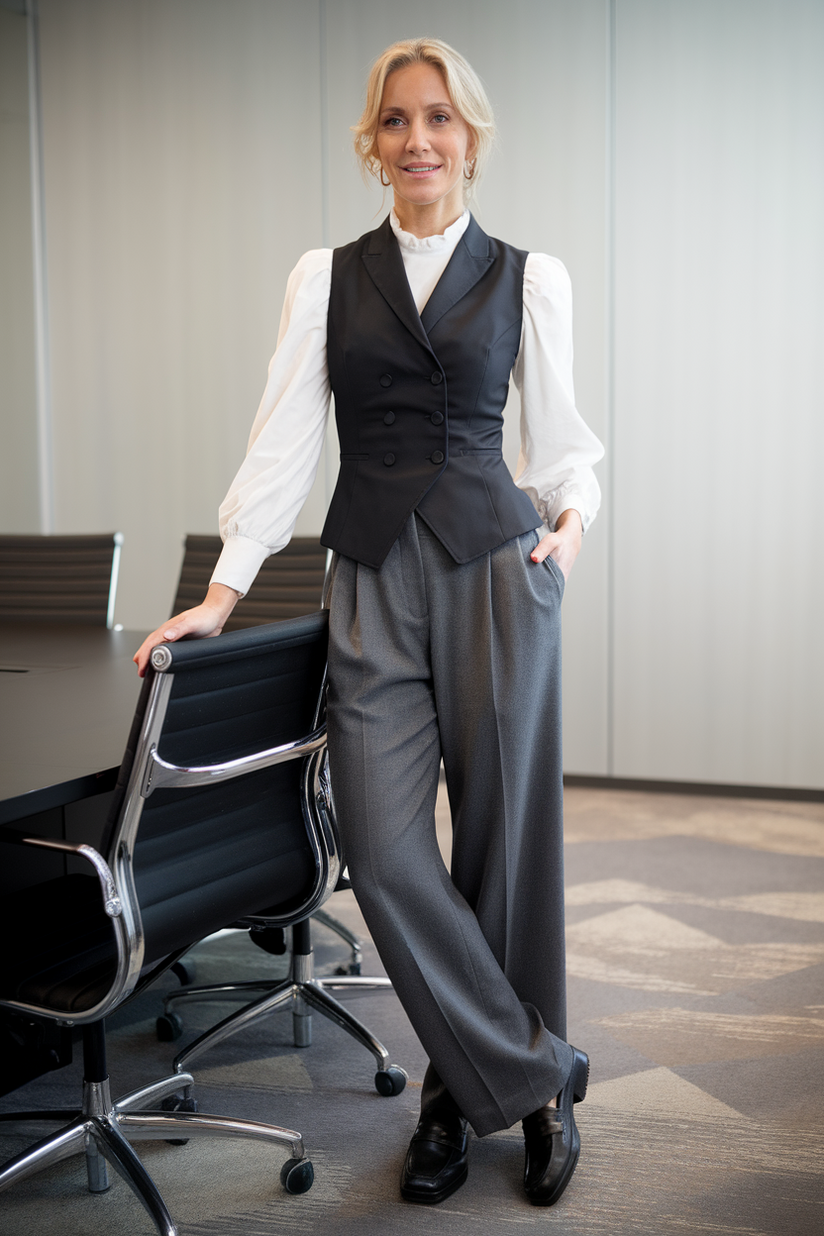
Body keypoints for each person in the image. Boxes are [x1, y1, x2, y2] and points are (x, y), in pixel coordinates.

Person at [135, 37, 603, 1208]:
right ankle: (536, 1077)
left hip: (498, 569)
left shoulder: (528, 277)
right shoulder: (324, 276)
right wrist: (224, 590)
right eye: (395, 121)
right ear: (372, 145)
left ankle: (457, 1099)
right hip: (371, 579)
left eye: (438, 119)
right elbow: (285, 441)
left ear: (470, 139)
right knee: (386, 851)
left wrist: (571, 523)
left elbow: (562, 445)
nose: (417, 140)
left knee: (506, 850)